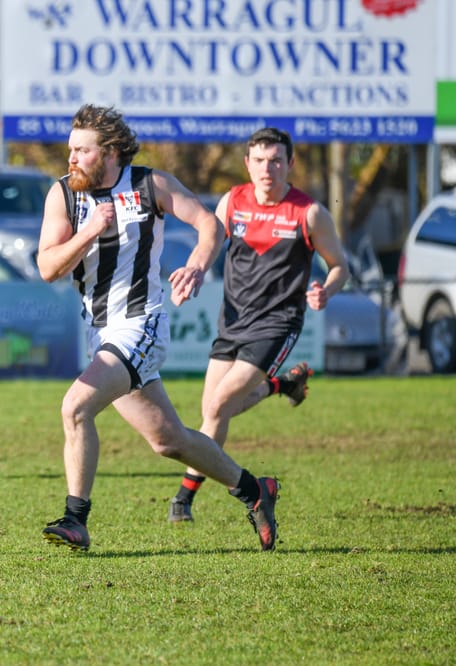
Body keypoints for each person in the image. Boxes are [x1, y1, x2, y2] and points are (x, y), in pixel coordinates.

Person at [37, 104, 280, 552]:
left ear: (109, 152)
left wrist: (197, 264)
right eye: (70, 149)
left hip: (140, 323)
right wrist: (89, 232)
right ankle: (253, 489)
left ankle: (76, 520)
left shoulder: (151, 184)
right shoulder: (64, 195)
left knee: (75, 407)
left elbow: (210, 225)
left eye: (81, 150)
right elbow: (48, 267)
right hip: (102, 331)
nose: (70, 158)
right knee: (168, 440)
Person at [167, 127, 350, 523]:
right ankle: (281, 386)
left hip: (277, 324)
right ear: (247, 164)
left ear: (290, 163)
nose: (268, 169)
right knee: (213, 410)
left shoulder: (309, 212)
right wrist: (196, 270)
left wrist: (326, 290)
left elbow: (340, 266)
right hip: (232, 320)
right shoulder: (232, 201)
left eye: (277, 161)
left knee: (216, 408)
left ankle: (183, 499)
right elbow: (210, 242)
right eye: (260, 161)